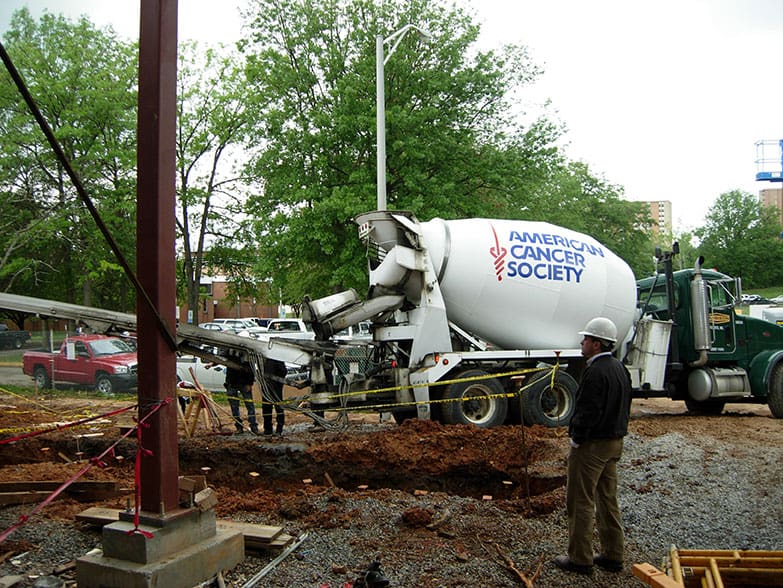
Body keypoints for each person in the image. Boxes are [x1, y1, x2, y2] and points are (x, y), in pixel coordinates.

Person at [554, 317, 632, 576]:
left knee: (580, 500)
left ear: (597, 344)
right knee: (607, 499)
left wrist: (577, 438)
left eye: (586, 339)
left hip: (592, 446)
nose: (582, 342)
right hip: (613, 443)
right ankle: (613, 554)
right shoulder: (620, 368)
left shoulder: (595, 372)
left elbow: (588, 410)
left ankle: (580, 558)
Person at [225, 358, 259, 435]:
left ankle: (254, 427)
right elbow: (221, 359)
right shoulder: (229, 351)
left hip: (244, 382)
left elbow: (251, 366)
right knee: (234, 406)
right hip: (231, 382)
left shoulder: (246, 353)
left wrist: (250, 383)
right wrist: (211, 363)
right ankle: (239, 427)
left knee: (249, 405)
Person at [261, 358, 287, 435]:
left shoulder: (277, 358)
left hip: (276, 388)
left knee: (278, 408)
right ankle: (268, 429)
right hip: (266, 387)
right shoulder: (263, 360)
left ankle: (279, 429)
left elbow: (284, 371)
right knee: (266, 409)